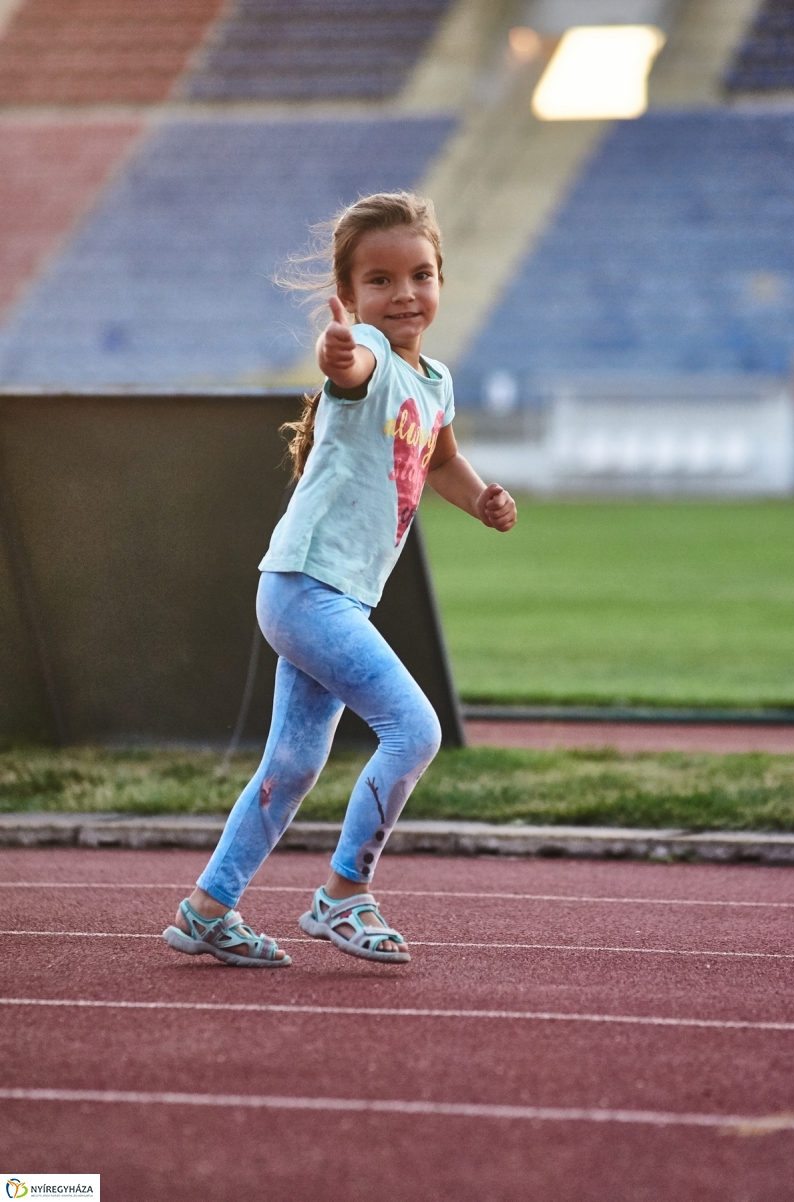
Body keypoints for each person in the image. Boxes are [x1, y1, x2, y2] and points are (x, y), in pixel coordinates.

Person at [163, 191, 516, 968]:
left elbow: (444, 461)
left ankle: (207, 909)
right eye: (380, 281)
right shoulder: (370, 355)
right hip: (304, 588)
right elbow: (350, 368)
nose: (404, 294)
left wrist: (481, 499)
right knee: (415, 730)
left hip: (330, 596)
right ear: (352, 297)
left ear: (441, 282)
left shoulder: (437, 382)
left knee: (292, 765)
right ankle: (343, 896)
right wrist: (340, 351)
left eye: (420, 275)